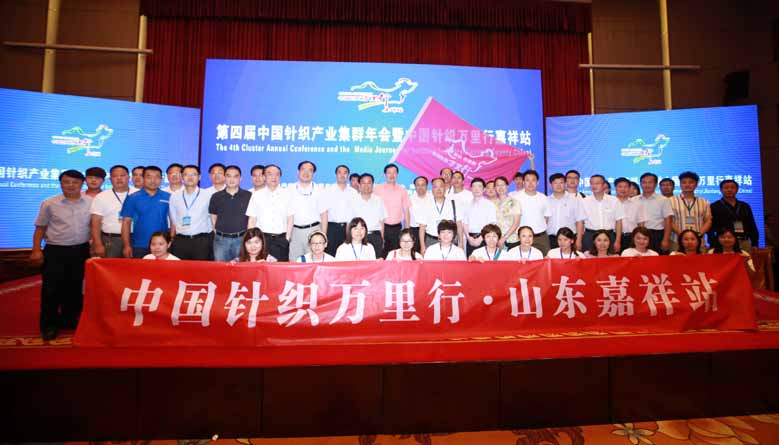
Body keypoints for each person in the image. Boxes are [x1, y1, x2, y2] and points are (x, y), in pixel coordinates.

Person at [30, 170, 92, 341]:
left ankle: (68, 319)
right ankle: (49, 325)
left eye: (75, 182)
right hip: (56, 250)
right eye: (67, 182)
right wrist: (36, 249)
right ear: (61, 183)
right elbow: (40, 228)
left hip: (81, 250)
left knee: (75, 288)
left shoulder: (90, 202)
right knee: (51, 289)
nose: (71, 185)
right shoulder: (49, 203)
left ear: (82, 184)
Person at [121, 166, 170, 258]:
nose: (153, 180)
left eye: (157, 177)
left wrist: (171, 240)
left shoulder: (168, 197)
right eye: (149, 177)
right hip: (139, 245)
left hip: (162, 245)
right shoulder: (132, 198)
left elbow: (173, 221)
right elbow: (126, 222)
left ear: (161, 179)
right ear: (143, 178)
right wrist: (126, 245)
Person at [246, 164, 291, 261]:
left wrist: (287, 238)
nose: (274, 177)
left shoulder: (287, 194)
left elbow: (290, 218)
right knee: (261, 267)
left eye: (277, 174)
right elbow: (252, 219)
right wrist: (250, 239)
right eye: (270, 174)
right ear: (264, 177)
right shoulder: (256, 195)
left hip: (281, 239)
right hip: (262, 238)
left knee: (281, 267)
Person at [168, 165, 213, 260]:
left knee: (200, 268)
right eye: (186, 174)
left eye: (193, 174)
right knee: (181, 268)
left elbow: (212, 218)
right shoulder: (175, 196)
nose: (190, 177)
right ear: (182, 177)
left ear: (199, 177)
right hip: (180, 240)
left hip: (201, 241)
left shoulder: (208, 195)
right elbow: (174, 219)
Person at [209, 165, 252, 261]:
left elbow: (251, 218)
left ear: (240, 178)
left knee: (241, 268)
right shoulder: (216, 196)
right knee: (221, 268)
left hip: (241, 239)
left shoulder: (248, 196)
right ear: (224, 177)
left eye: (235, 176)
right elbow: (213, 217)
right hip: (221, 240)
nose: (232, 179)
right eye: (228, 176)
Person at [287, 160, 327, 261]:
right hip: (295, 232)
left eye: (310, 170)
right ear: (298, 172)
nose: (306, 173)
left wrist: (323, 235)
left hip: (314, 230)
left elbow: (324, 215)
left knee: (313, 262)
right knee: (294, 262)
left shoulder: (320, 190)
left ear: (313, 173)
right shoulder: (289, 189)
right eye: (303, 169)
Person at [90, 164, 130, 258]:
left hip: (134, 239)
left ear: (128, 177)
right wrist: (98, 244)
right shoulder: (101, 197)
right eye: (115, 176)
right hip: (110, 239)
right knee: (110, 266)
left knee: (134, 266)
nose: (119, 178)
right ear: (110, 179)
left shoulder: (137, 193)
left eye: (122, 175)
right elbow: (95, 223)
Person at [708, 179, 759, 252]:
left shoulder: (744, 206)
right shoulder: (714, 206)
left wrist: (755, 243)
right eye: (726, 188)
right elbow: (710, 228)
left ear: (737, 190)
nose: (729, 190)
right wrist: (712, 243)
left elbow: (752, 225)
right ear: (721, 190)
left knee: (745, 259)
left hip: (743, 242)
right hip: (723, 243)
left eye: (732, 187)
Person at [374, 163, 411, 257]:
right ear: (385, 174)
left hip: (397, 229)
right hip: (381, 228)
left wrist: (407, 230)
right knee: (381, 254)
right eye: (389, 173)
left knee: (396, 255)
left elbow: (406, 210)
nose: (392, 175)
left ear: (397, 174)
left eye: (394, 172)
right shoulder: (377, 189)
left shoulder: (402, 190)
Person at [419, 177, 463, 253]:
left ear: (445, 188)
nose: (438, 189)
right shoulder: (425, 204)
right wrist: (423, 246)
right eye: (435, 187)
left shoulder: (454, 204)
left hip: (450, 241)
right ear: (432, 189)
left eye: (441, 186)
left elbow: (459, 225)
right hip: (431, 241)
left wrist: (461, 243)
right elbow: (422, 228)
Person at [581, 174, 623, 252]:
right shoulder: (584, 201)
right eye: (592, 183)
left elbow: (619, 221)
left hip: (609, 236)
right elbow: (580, 222)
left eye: (597, 183)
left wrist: (618, 241)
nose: (594, 186)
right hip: (590, 236)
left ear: (604, 185)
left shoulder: (614, 200)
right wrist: (579, 240)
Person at [669, 171, 712, 250]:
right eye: (684, 182)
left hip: (699, 241)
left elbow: (708, 220)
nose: (687, 185)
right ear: (680, 184)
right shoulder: (670, 201)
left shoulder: (704, 202)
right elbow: (669, 221)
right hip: (676, 241)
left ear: (696, 184)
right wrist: (682, 235)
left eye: (691, 182)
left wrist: (698, 235)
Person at [322, 164, 358, 256]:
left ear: (348, 175)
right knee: (330, 256)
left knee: (346, 256)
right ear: (336, 175)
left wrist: (350, 233)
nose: (342, 175)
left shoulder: (353, 193)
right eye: (339, 172)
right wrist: (324, 234)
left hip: (348, 228)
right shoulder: (328, 190)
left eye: (345, 173)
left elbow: (353, 214)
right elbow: (324, 213)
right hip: (331, 228)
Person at [515, 170, 551, 255]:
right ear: (523, 182)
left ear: (537, 182)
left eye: (533, 180)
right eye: (527, 180)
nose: (530, 183)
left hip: (541, 237)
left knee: (544, 261)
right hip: (522, 238)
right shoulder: (516, 198)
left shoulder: (544, 198)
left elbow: (546, 217)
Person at [351, 173, 387, 257]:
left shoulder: (378, 200)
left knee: (376, 261)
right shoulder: (353, 200)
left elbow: (381, 222)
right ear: (359, 184)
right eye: (363, 183)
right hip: (359, 237)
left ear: (372, 185)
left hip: (375, 236)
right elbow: (350, 222)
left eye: (369, 183)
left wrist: (382, 239)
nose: (366, 186)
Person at [546, 172, 585, 250]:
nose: (558, 185)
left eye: (561, 182)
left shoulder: (574, 200)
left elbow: (579, 221)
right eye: (555, 183)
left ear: (565, 184)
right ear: (551, 185)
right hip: (551, 239)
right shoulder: (546, 200)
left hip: (569, 238)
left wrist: (579, 240)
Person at [637, 172, 673, 254]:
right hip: (638, 235)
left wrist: (666, 239)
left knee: (658, 260)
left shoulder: (663, 200)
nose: (647, 185)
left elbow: (668, 221)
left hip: (657, 235)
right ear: (640, 184)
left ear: (655, 184)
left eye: (650, 182)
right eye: (644, 182)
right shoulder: (634, 200)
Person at [462, 178, 497, 257]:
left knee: (484, 262)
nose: (476, 189)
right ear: (471, 189)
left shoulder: (489, 204)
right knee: (471, 262)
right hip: (470, 239)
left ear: (484, 189)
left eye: (479, 186)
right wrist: (468, 237)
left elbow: (492, 223)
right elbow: (464, 223)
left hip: (485, 238)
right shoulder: (467, 204)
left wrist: (480, 238)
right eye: (474, 186)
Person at [614, 177, 646, 253]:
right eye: (620, 186)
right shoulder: (611, 203)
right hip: (614, 237)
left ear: (629, 188)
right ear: (615, 188)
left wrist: (640, 238)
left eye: (625, 187)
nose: (623, 189)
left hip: (631, 237)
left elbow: (641, 223)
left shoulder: (637, 204)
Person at [494, 176, 521, 250]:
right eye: (498, 185)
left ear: (507, 186)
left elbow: (516, 223)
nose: (500, 187)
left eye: (503, 185)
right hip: (496, 240)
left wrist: (504, 238)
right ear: (495, 188)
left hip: (512, 240)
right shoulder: (492, 203)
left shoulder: (514, 202)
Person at [409, 175, 432, 253]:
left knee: (427, 253)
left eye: (423, 185)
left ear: (426, 186)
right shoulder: (410, 199)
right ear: (415, 186)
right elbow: (407, 217)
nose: (420, 187)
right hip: (414, 230)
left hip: (428, 231)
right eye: (418, 185)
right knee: (414, 254)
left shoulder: (432, 198)